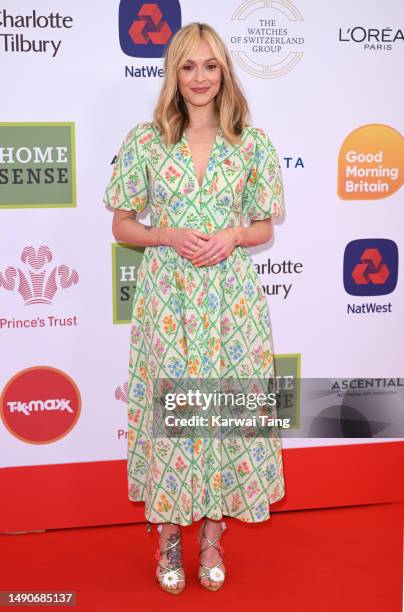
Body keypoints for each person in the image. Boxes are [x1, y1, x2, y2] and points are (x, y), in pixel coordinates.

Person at [103, 21, 285, 594]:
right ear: (173, 75)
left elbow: (262, 229)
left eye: (210, 65)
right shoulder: (146, 140)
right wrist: (168, 234)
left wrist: (231, 236)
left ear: (224, 71)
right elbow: (122, 224)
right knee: (175, 421)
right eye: (188, 66)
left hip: (231, 303)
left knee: (226, 418)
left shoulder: (251, 144)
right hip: (170, 301)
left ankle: (211, 536)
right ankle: (168, 542)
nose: (200, 77)